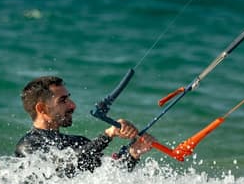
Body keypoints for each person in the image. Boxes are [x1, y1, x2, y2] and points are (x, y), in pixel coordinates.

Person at [15, 75, 156, 176]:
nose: (72, 105)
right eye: (63, 100)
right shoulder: (28, 146)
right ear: (42, 109)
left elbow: (112, 177)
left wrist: (134, 152)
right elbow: (62, 168)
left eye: (69, 98)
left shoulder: (78, 142)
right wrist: (108, 135)